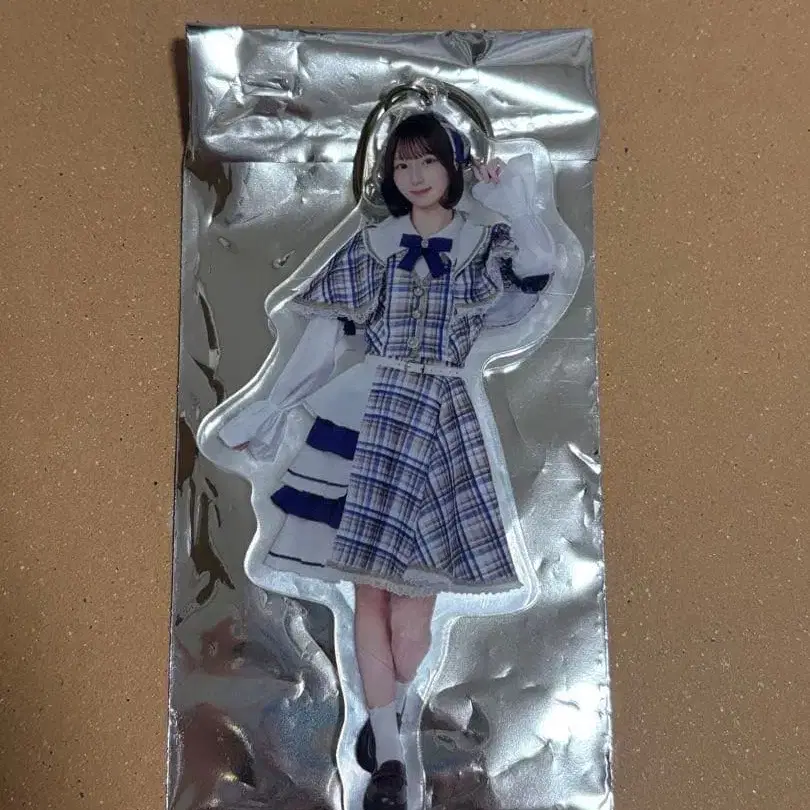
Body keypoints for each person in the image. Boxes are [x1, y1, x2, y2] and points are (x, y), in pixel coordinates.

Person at [221, 111, 558, 810]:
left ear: (452, 167)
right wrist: (272, 407)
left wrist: (518, 202)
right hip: (370, 413)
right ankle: (389, 750)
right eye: (403, 164)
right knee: (367, 593)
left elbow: (534, 275)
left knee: (413, 614)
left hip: (440, 415)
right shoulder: (374, 244)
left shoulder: (482, 239)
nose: (415, 175)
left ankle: (393, 711)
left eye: (427, 161)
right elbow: (321, 341)